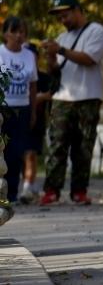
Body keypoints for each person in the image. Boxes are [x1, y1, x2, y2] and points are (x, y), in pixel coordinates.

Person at [39, 0, 103, 206]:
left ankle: (79, 190)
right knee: (57, 145)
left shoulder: (96, 31)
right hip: (63, 96)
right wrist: (51, 56)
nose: (63, 20)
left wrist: (60, 50)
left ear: (78, 10)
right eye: (60, 17)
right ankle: (52, 190)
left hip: (88, 96)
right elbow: (55, 70)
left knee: (83, 146)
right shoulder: (63, 37)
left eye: (66, 15)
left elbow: (89, 59)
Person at [0, 17, 38, 204]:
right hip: (3, 108)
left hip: (21, 108)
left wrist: (33, 111)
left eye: (22, 31)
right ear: (5, 33)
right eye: (15, 31)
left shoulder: (29, 55)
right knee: (2, 152)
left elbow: (32, 85)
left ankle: (12, 193)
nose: (19, 35)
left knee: (16, 153)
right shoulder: (0, 53)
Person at [19, 40, 53, 204]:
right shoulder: (13, 76)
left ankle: (27, 187)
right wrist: (40, 97)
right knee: (16, 157)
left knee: (30, 154)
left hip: (36, 122)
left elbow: (50, 97)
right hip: (16, 122)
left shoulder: (45, 78)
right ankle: (26, 185)